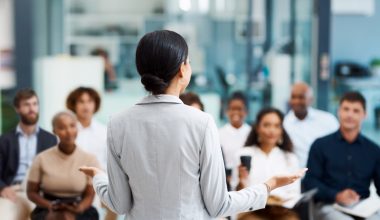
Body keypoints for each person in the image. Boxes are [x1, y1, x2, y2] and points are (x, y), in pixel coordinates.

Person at [79, 30, 306, 220]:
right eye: (188, 61)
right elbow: (218, 205)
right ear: (182, 69)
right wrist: (268, 185)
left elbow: (119, 205)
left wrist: (99, 178)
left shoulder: (117, 123)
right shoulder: (202, 122)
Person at [303, 91, 380, 220]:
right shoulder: (320, 145)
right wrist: (336, 195)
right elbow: (310, 182)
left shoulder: (373, 150)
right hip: (329, 205)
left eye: (356, 111)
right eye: (346, 109)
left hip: (362, 207)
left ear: (364, 115)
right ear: (339, 111)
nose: (350, 115)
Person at [27, 111, 100, 220]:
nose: (69, 131)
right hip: (48, 207)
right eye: (62, 128)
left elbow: (89, 195)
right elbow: (32, 192)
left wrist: (80, 207)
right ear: (54, 131)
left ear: (77, 128)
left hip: (78, 207)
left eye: (72, 126)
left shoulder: (90, 159)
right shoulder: (41, 158)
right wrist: (49, 205)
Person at [0, 88, 57, 220]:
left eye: (35, 104)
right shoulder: (4, 140)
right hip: (14, 192)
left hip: (40, 193)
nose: (32, 108)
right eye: (27, 104)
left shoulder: (50, 139)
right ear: (17, 108)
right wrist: (2, 188)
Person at [235, 108, 300, 220]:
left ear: (281, 130)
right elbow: (235, 193)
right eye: (266, 125)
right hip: (253, 210)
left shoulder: (290, 158)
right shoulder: (244, 154)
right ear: (258, 128)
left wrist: (278, 202)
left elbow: (294, 193)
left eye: (276, 126)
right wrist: (241, 183)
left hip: (281, 210)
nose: (272, 130)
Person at [66, 87, 117, 220]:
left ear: (95, 104)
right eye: (81, 101)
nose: (86, 105)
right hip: (73, 182)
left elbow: (109, 162)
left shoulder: (104, 131)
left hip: (100, 180)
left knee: (116, 204)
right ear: (74, 105)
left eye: (89, 101)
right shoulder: (66, 132)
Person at [283, 82, 339, 168]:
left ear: (311, 99)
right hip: (297, 176)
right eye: (293, 97)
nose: (296, 101)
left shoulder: (328, 120)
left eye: (301, 97)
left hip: (326, 174)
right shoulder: (284, 124)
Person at [220, 92, 251, 170]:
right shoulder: (219, 134)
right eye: (232, 109)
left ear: (246, 111)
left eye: (240, 109)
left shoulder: (252, 133)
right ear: (226, 111)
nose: (236, 112)